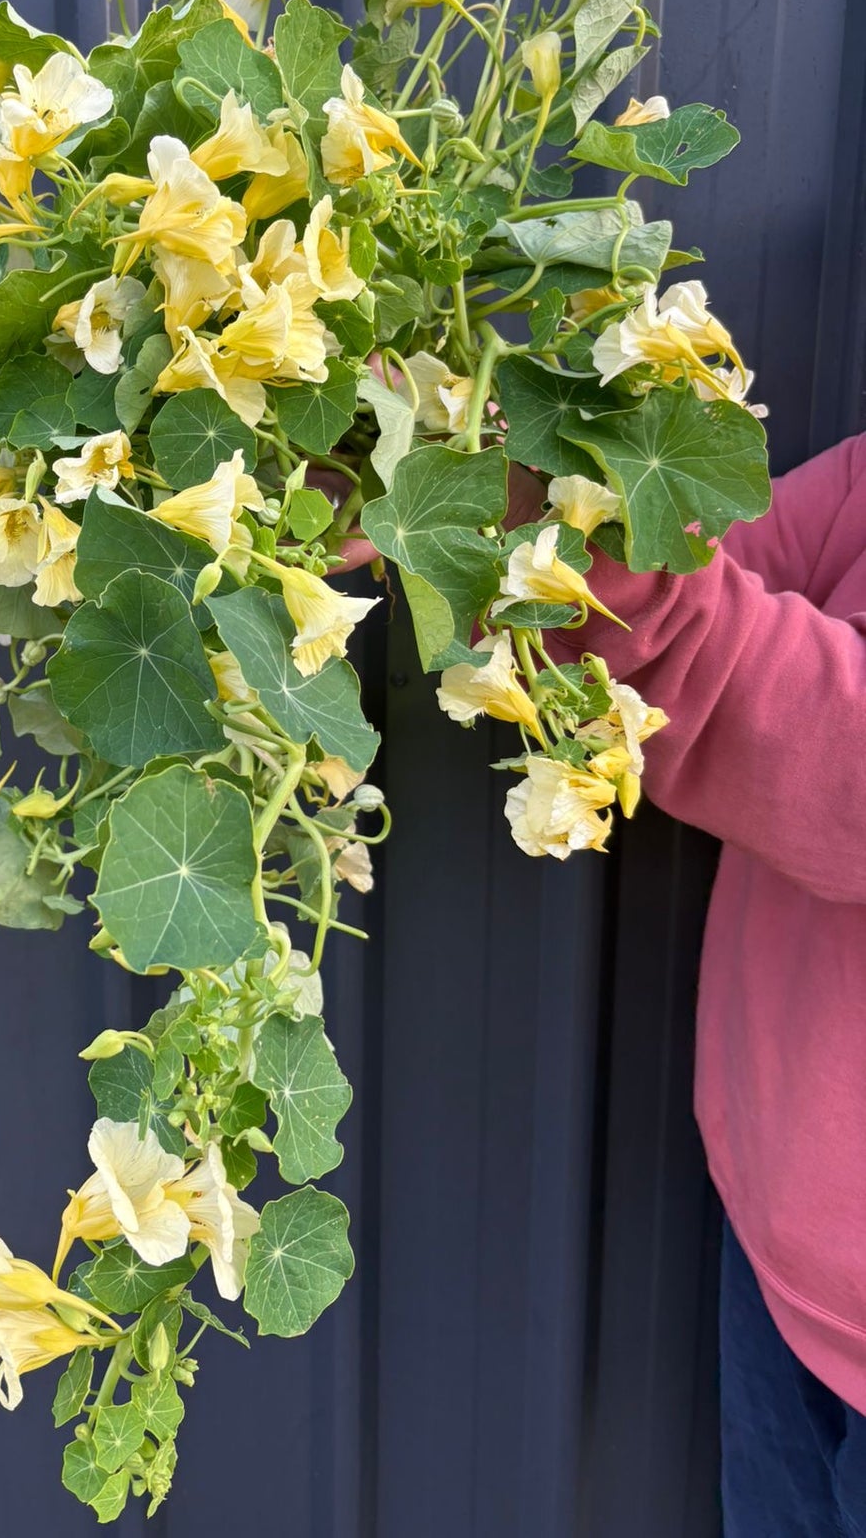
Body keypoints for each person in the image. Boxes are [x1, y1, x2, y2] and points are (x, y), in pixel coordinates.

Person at [349, 433, 866, 1533]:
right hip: (785, 1247)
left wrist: (520, 515)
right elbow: (702, 537)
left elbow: (839, 764)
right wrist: (448, 483)